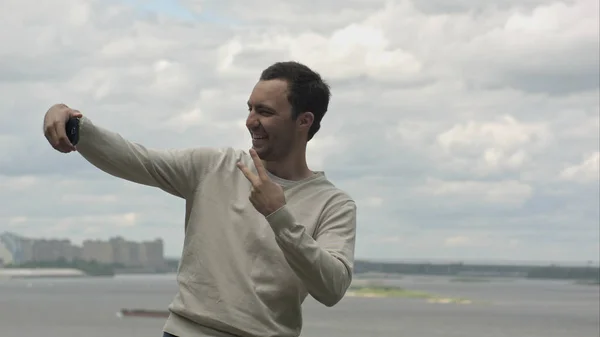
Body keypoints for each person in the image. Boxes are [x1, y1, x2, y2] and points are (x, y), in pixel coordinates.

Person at [43, 61, 357, 337]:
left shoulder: (334, 205)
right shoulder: (214, 166)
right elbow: (136, 159)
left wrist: (279, 215)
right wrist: (72, 124)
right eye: (249, 108)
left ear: (304, 121)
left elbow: (331, 288)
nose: (250, 120)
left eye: (265, 111)